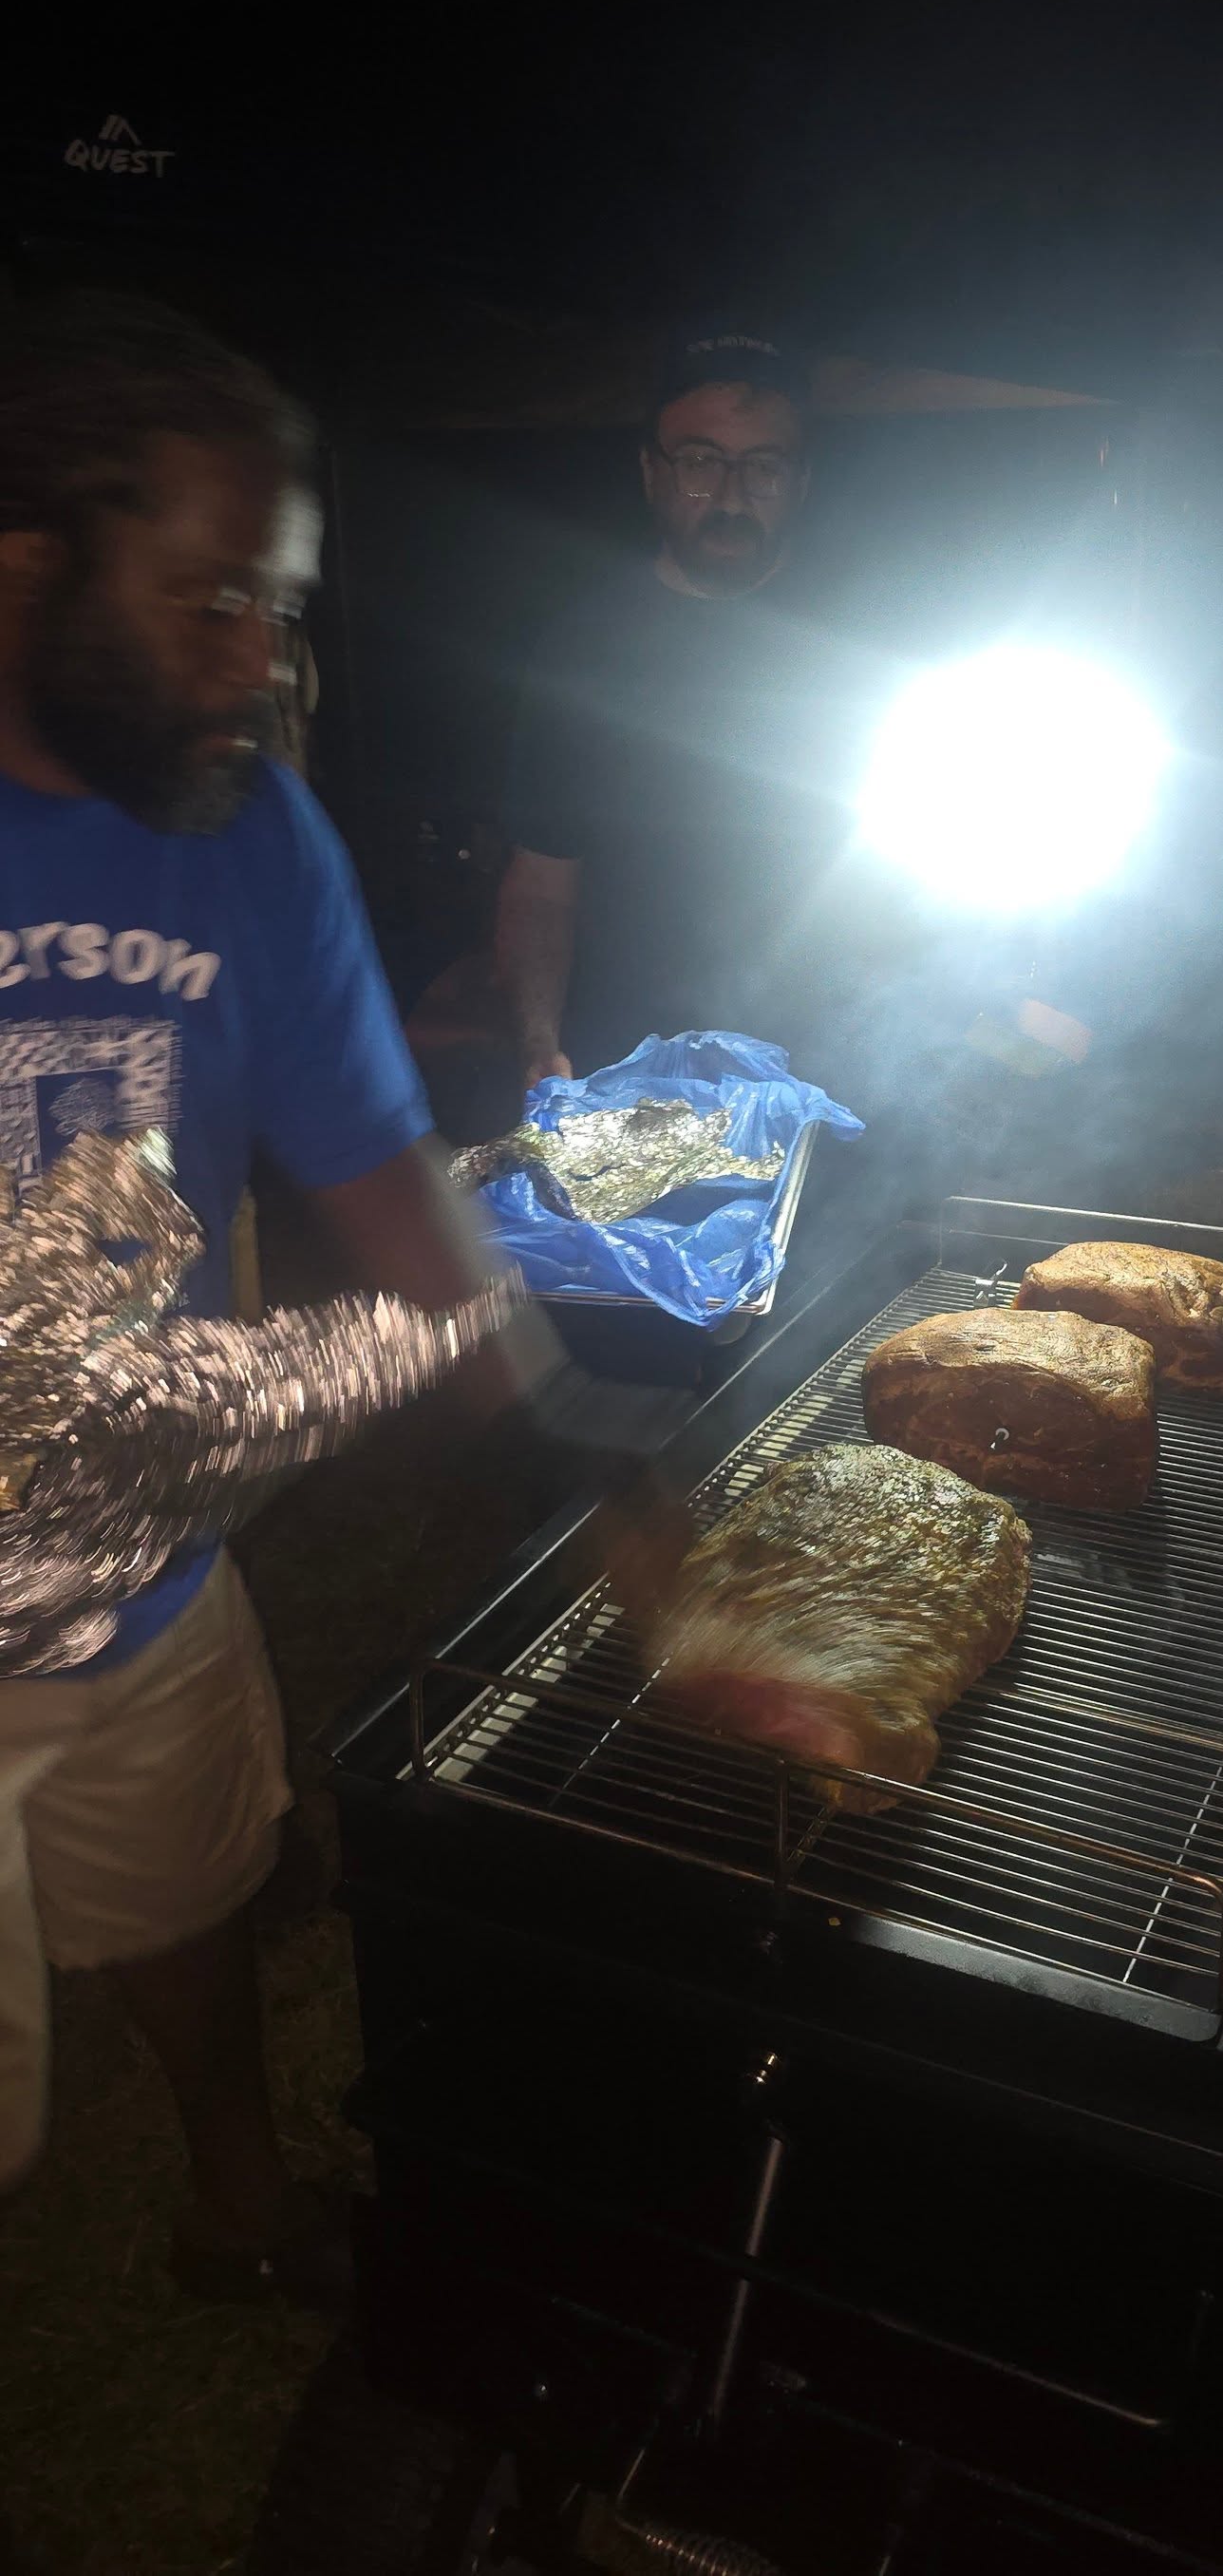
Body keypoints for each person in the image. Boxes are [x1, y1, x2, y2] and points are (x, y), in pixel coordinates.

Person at [0, 291, 678, 2311]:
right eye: (208, 598)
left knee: (187, 1885)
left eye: (277, 604)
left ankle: (235, 2195)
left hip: (148, 1584)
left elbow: (390, 1192)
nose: (263, 664)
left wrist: (569, 1456)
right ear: (27, 565)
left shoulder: (250, 836)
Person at [494, 328, 874, 1090]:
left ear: (800, 481)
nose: (731, 497)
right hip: (636, 1066)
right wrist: (539, 1042)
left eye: (762, 467)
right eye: (700, 462)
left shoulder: (872, 638)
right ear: (651, 472)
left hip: (843, 1063)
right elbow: (541, 883)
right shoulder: (584, 649)